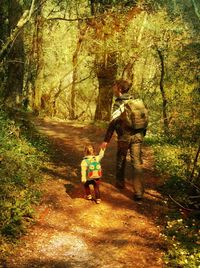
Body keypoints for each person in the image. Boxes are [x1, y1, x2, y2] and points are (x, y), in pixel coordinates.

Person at [101, 79, 147, 201]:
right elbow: (143, 119)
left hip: (124, 137)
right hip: (138, 135)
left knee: (121, 158)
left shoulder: (119, 103)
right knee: (136, 162)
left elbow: (112, 123)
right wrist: (142, 135)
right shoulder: (135, 100)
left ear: (120, 89)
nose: (113, 88)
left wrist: (106, 140)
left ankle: (120, 182)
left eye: (114, 86)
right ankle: (138, 192)